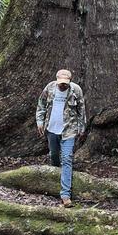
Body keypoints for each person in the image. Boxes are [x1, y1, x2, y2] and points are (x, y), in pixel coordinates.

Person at [36, 69, 86, 207]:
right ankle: (55, 179)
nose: (63, 85)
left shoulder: (76, 90)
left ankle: (65, 194)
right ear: (57, 80)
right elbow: (41, 104)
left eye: (65, 83)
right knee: (54, 156)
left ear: (70, 81)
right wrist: (40, 121)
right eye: (61, 83)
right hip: (52, 129)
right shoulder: (50, 88)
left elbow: (81, 109)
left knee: (67, 158)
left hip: (69, 130)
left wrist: (82, 127)